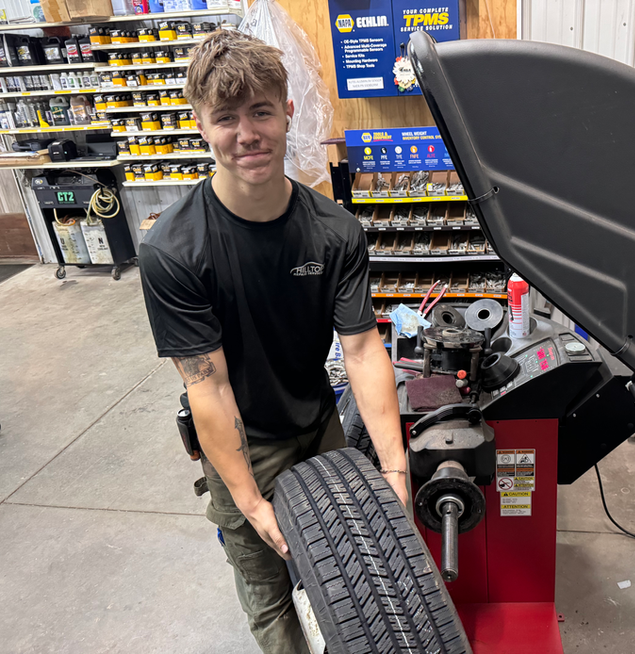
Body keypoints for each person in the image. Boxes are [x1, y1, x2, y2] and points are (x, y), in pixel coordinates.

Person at [138, 30, 408, 654]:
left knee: (355, 569)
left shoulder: (334, 230)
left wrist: (394, 467)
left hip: (318, 424)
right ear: (201, 125)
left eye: (261, 111)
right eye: (226, 118)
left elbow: (364, 351)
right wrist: (247, 498)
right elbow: (209, 386)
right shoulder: (174, 251)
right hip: (242, 440)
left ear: (287, 113)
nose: (246, 134)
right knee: (270, 597)